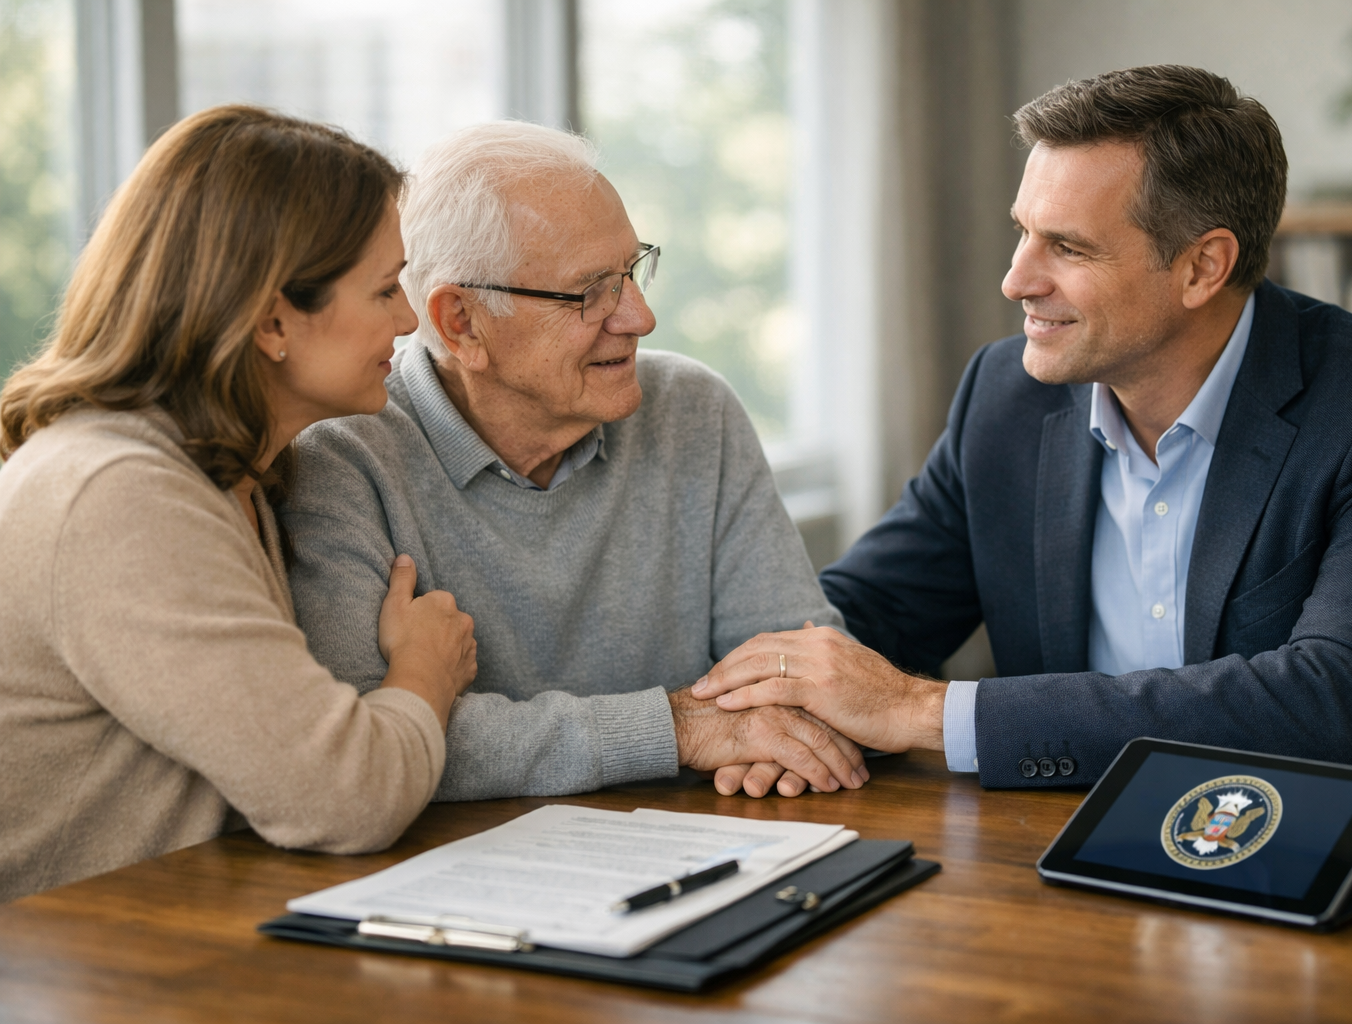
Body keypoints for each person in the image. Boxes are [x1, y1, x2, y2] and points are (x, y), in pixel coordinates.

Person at [694, 65, 1352, 791]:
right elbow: (871, 610)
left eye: (1067, 247)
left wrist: (922, 712)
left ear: (1203, 266)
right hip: (1083, 842)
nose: (1016, 279)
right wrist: (777, 715)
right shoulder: (1004, 396)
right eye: (1022, 232)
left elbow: (1337, 701)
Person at [280, 121, 866, 803]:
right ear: (461, 322)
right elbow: (367, 749)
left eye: (631, 271)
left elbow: (809, 675)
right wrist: (678, 729)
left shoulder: (692, 410)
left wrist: (773, 740)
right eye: (590, 291)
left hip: (712, 837)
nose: (639, 317)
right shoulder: (338, 459)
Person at [0, 105, 479, 902]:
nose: (407, 318)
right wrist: (425, 669)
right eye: (384, 289)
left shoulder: (233, 474)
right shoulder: (120, 497)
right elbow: (346, 798)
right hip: (72, 955)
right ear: (271, 320)